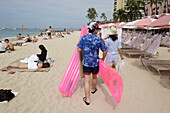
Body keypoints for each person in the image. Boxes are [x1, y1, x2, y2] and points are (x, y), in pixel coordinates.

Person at [77, 22, 108, 105]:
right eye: (97, 29)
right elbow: (105, 50)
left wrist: (80, 47)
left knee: (87, 81)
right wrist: (103, 58)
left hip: (86, 63)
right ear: (94, 29)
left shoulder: (83, 38)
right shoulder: (99, 39)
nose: (98, 30)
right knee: (94, 77)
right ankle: (93, 89)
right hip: (95, 63)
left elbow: (79, 49)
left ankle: (87, 99)